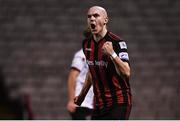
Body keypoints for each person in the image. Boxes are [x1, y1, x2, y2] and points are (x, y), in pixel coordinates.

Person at [74, 6, 132, 120]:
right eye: (89, 16)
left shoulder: (117, 42)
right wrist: (82, 95)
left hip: (119, 102)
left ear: (105, 20)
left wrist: (112, 54)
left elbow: (126, 72)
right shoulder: (86, 44)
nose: (92, 19)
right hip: (99, 104)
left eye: (96, 15)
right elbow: (92, 71)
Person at [66, 30, 94, 120]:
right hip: (80, 103)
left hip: (91, 103)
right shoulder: (81, 55)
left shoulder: (96, 56)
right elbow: (72, 76)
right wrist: (71, 100)